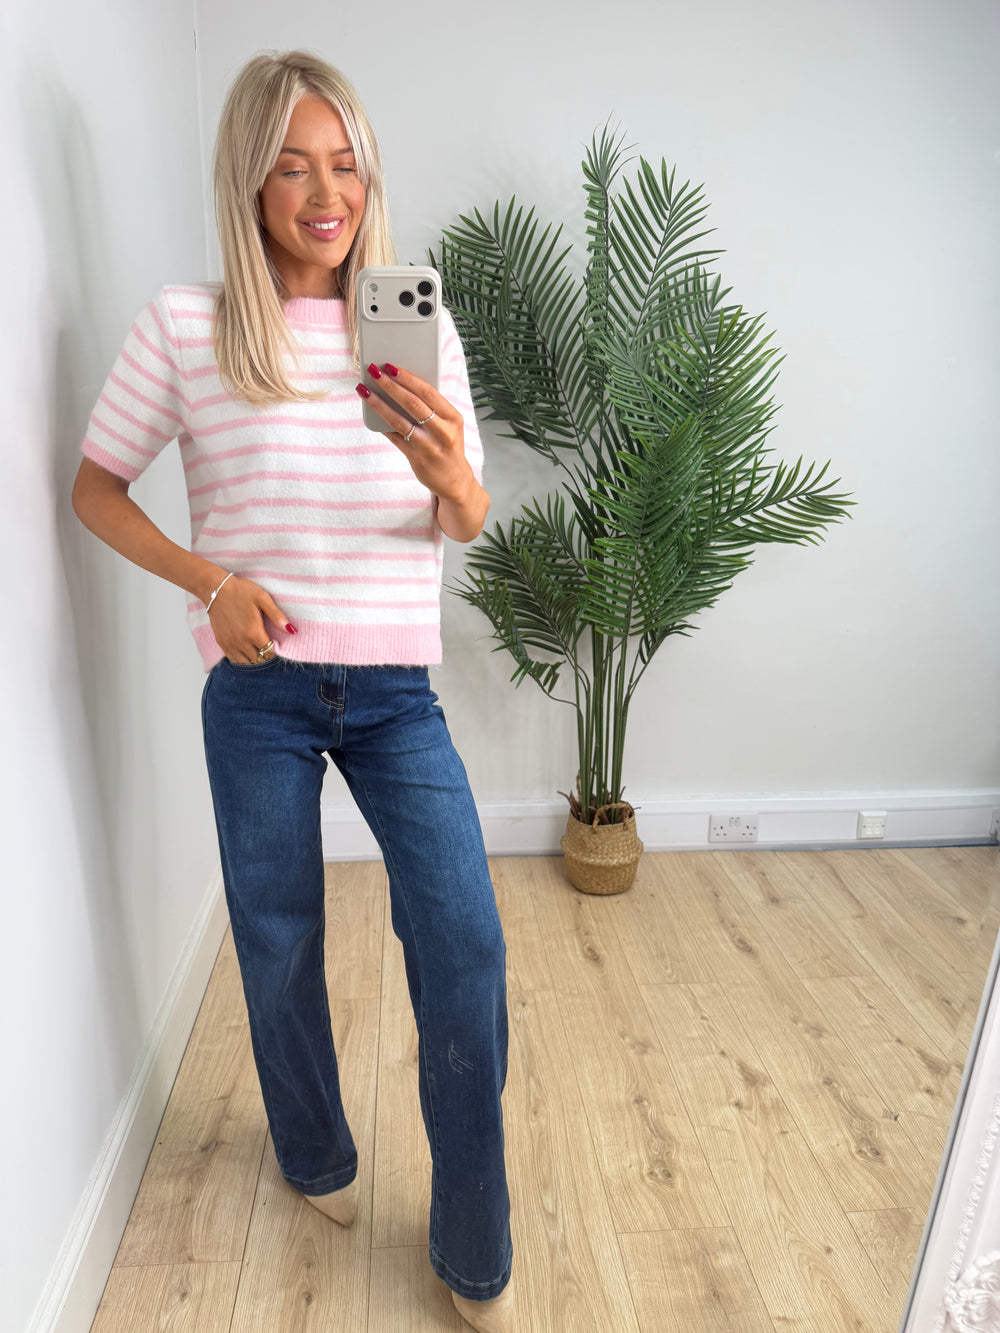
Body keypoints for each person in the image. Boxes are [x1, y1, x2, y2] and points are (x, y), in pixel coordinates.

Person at [70, 48, 514, 1333]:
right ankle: (313, 1154)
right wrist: (211, 581)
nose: (326, 193)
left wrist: (452, 473)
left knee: (464, 943)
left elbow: (464, 519)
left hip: (395, 695)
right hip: (257, 689)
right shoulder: (187, 326)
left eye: (345, 164)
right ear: (248, 181)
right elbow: (96, 487)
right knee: (276, 938)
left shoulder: (417, 328)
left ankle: (474, 1243)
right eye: (292, 166)